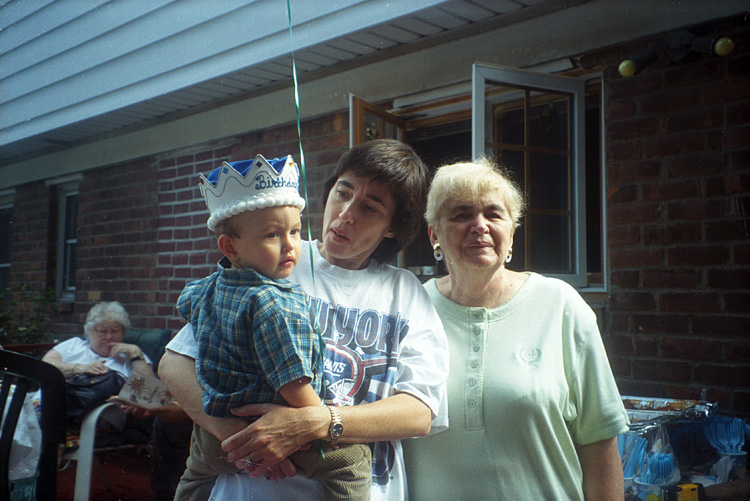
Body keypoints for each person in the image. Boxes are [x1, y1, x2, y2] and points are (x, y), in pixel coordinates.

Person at [159, 139, 449, 500]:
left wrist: (317, 422)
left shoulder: (404, 292)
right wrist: (243, 439)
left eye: (370, 208)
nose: (346, 214)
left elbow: (419, 412)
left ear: (393, 226)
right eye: (342, 193)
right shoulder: (272, 260)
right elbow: (174, 364)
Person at [402, 158, 630, 500]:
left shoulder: (560, 306)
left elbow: (600, 443)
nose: (479, 226)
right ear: (435, 234)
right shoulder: (408, 309)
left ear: (511, 233)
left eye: (493, 214)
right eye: (461, 214)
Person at [175, 154, 372, 500]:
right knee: (354, 462)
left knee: (194, 478)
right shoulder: (275, 304)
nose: (290, 245)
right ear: (230, 247)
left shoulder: (204, 288)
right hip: (270, 426)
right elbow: (292, 380)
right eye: (272, 235)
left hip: (212, 432)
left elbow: (185, 304)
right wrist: (322, 421)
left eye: (295, 231)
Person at [42, 301, 151, 379]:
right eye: (102, 331)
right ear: (89, 332)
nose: (109, 337)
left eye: (114, 331)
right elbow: (45, 365)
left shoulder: (132, 356)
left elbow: (150, 392)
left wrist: (136, 353)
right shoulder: (74, 345)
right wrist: (80, 368)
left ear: (123, 332)